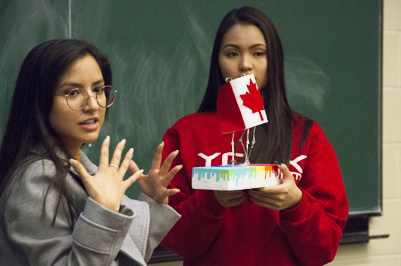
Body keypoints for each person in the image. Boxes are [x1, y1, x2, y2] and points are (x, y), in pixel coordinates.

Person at [160, 6, 349, 266]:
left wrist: (295, 204)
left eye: (258, 53)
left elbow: (324, 249)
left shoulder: (307, 135)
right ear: (218, 60)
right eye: (232, 53)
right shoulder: (185, 133)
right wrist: (212, 201)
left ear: (274, 62)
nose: (245, 64)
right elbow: (174, 240)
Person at [0, 39, 182, 266]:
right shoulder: (37, 179)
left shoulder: (79, 165)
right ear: (40, 101)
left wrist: (154, 203)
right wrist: (104, 211)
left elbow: (121, 257)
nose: (93, 104)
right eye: (73, 92)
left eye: (98, 89)